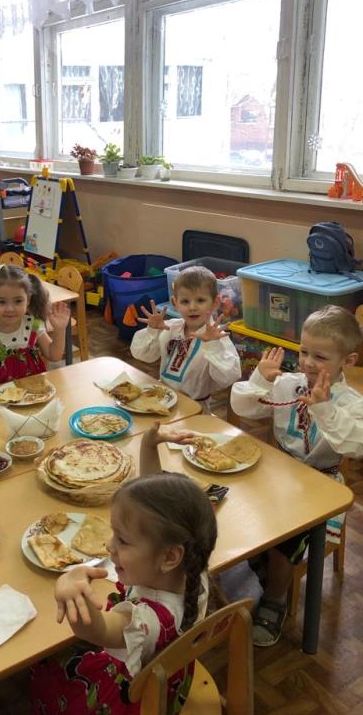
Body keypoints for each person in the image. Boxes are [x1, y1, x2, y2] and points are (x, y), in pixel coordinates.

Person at [230, 304, 363, 647]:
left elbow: (354, 443)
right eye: (303, 351)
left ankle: (275, 598)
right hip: (277, 473)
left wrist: (324, 408)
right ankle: (254, 562)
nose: (307, 362)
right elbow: (243, 408)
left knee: (288, 533)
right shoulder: (288, 384)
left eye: (320, 356)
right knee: (229, 499)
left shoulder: (350, 403)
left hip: (319, 486)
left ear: (348, 360)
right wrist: (260, 378)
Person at [30, 473, 218, 714]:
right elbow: (159, 504)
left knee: (43, 665)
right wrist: (149, 450)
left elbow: (96, 630)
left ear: (169, 557)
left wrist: (72, 591)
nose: (109, 545)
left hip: (130, 698)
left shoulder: (149, 622)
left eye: (122, 540)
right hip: (171, 679)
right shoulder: (192, 566)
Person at [130, 266, 241, 410]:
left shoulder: (218, 336)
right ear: (175, 303)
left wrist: (212, 344)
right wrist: (153, 330)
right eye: (185, 301)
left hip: (194, 409)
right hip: (161, 399)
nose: (192, 307)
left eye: (200, 300)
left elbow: (229, 377)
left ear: (215, 303)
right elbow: (143, 355)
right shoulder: (170, 327)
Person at [0, 264, 71, 388]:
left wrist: (59, 330)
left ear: (28, 300)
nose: (10, 309)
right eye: (1, 302)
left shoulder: (33, 326)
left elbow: (54, 356)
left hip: (34, 393)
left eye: (18, 301)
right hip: (0, 396)